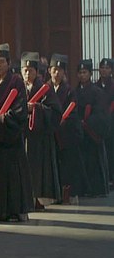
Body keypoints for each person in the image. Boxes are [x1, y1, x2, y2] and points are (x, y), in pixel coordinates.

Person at [0, 43, 33, 221]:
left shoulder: (16, 83)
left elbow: (19, 112)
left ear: (8, 63)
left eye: (1, 61)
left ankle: (12, 211)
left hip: (9, 141)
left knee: (11, 178)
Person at [20, 51, 62, 209]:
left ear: (37, 72)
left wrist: (36, 108)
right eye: (25, 70)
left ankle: (39, 199)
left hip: (40, 139)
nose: (27, 74)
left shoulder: (45, 89)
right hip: (23, 136)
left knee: (39, 170)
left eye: (30, 70)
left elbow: (55, 112)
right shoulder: (18, 88)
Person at [47, 54, 88, 202]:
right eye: (54, 70)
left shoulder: (70, 91)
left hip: (66, 134)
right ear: (49, 70)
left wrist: (62, 121)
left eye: (60, 70)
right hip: (51, 133)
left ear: (64, 72)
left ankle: (69, 194)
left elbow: (73, 113)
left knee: (68, 166)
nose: (56, 73)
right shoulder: (45, 88)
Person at [76, 59, 110, 197]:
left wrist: (87, 122)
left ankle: (96, 189)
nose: (82, 75)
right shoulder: (75, 91)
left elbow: (101, 113)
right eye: (80, 72)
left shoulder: (97, 92)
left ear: (90, 74)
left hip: (91, 132)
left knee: (94, 162)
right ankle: (83, 189)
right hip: (79, 132)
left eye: (84, 72)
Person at [96, 58, 114, 181]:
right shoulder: (95, 86)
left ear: (111, 70)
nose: (104, 70)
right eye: (102, 67)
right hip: (99, 124)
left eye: (107, 68)